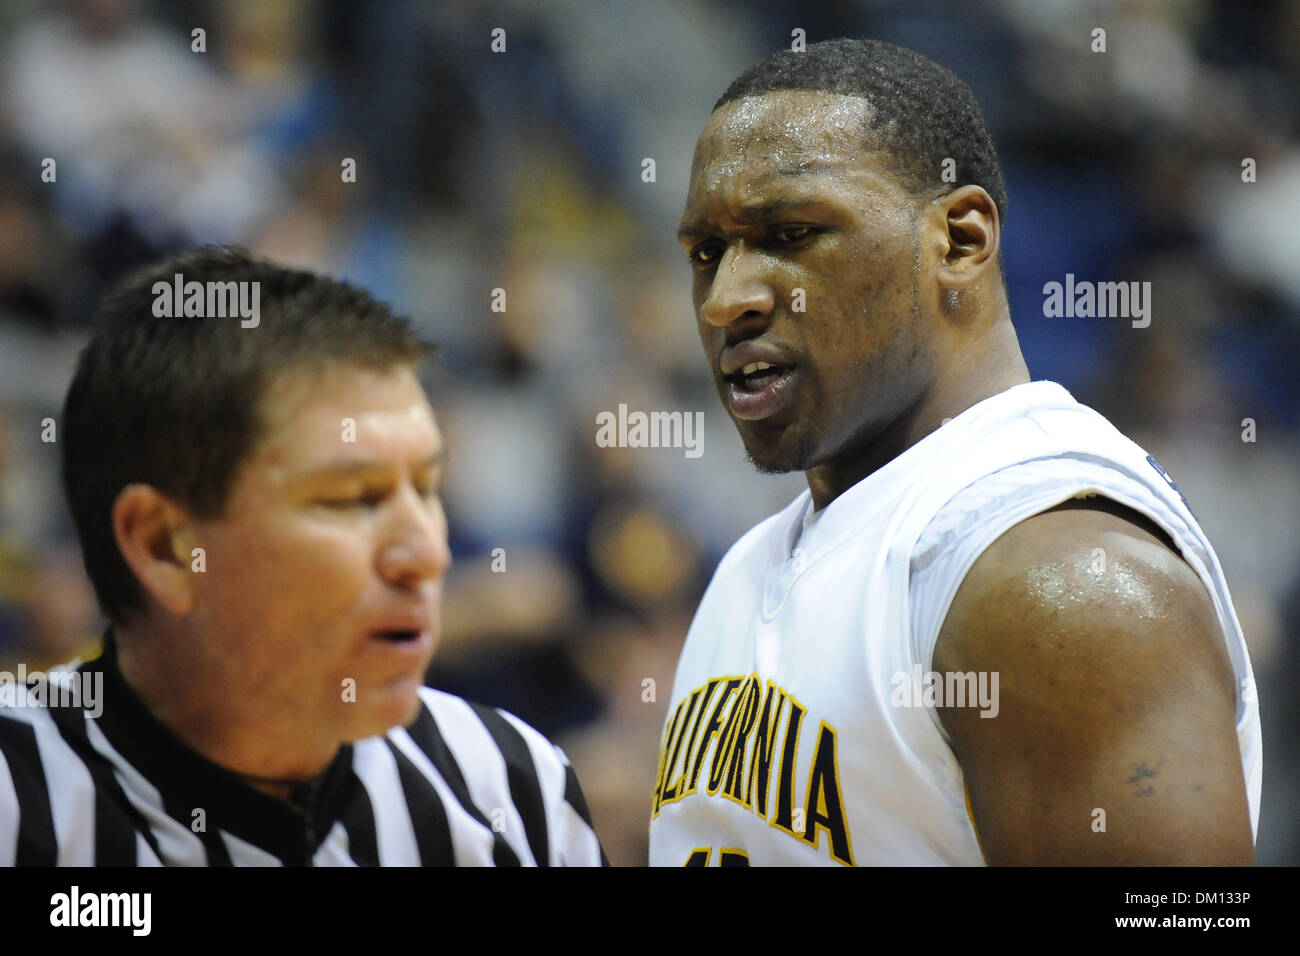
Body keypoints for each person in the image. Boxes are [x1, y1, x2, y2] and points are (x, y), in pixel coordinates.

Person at [648, 38, 1261, 866]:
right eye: (705, 253)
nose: (726, 301)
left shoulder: (1058, 579)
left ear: (961, 241)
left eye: (790, 233)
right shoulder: (757, 560)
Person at [0, 246, 606, 866]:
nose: (428, 553)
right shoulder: (14, 802)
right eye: (350, 499)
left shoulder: (512, 786)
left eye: (427, 487)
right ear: (165, 547)